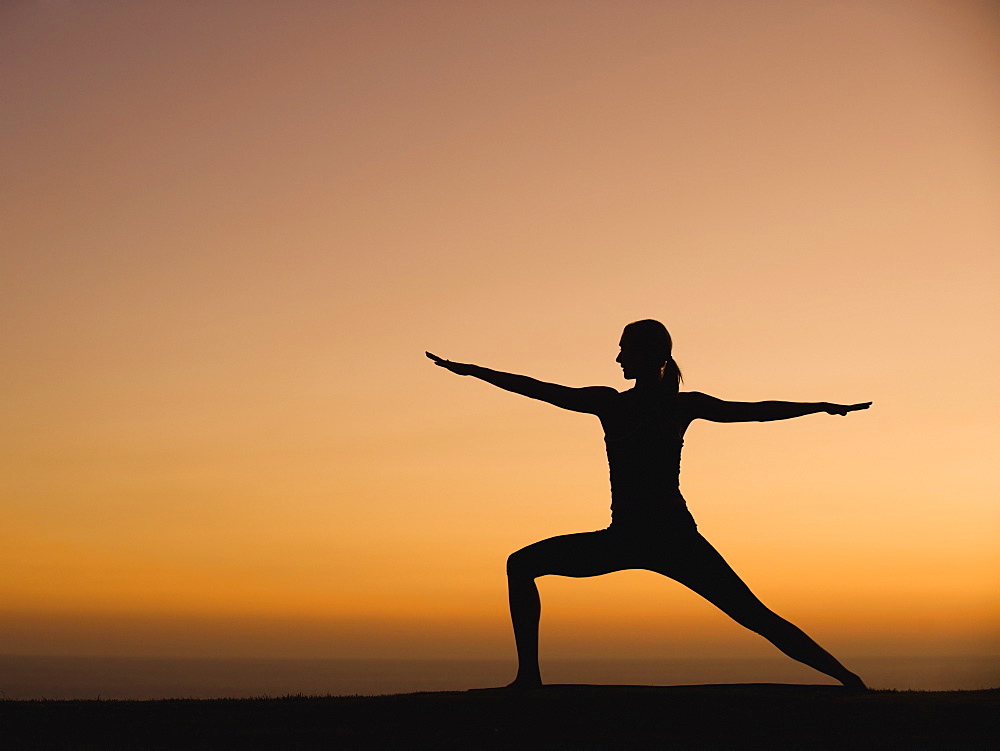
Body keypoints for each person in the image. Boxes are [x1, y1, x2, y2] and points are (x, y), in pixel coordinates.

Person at [426, 319, 869, 689]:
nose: (618, 358)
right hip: (629, 538)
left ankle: (850, 681)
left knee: (755, 615)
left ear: (652, 354)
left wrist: (823, 406)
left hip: (673, 538)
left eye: (624, 349)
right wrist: (471, 371)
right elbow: (538, 389)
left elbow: (755, 409)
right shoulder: (610, 403)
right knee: (521, 564)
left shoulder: (680, 405)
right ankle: (529, 680)